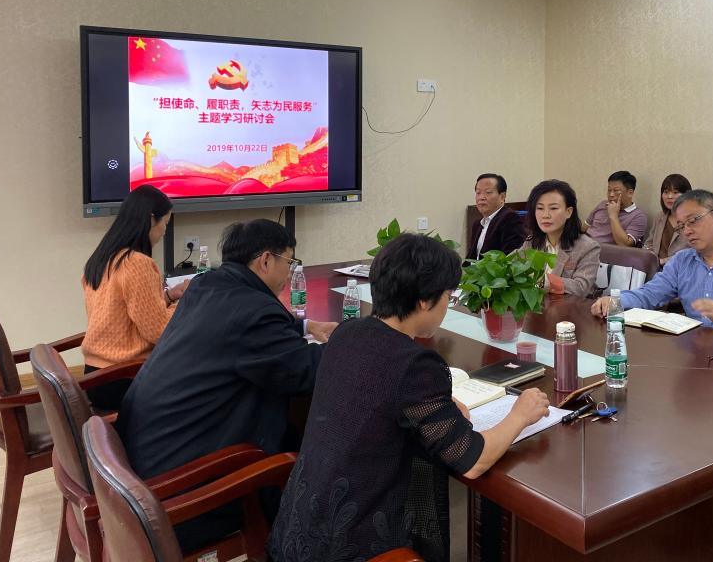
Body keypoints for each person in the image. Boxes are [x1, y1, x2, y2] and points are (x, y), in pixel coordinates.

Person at [267, 233, 549, 562]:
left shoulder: (347, 333)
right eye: (447, 296)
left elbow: (377, 401)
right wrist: (520, 414)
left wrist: (436, 411)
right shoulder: (414, 365)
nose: (447, 305)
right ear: (425, 301)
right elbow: (473, 462)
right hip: (352, 545)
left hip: (298, 533)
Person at [117, 219, 336, 551]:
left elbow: (245, 330)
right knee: (312, 464)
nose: (288, 273)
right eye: (289, 262)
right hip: (185, 499)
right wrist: (353, 344)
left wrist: (307, 326)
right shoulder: (253, 312)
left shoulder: (207, 286)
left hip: (144, 469)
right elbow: (305, 373)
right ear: (266, 260)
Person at [591, 189, 713, 340]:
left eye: (693, 221)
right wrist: (615, 301)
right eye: (681, 226)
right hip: (694, 354)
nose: (687, 231)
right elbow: (650, 294)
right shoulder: (682, 261)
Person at [81, 185, 187, 409]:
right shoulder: (137, 263)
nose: (165, 230)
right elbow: (159, 332)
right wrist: (187, 302)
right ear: (151, 220)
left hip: (95, 376)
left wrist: (169, 296)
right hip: (125, 377)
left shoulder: (102, 258)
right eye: (165, 222)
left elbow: (126, 312)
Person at [521, 179, 600, 298]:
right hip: (537, 306)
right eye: (540, 208)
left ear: (568, 212)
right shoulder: (532, 241)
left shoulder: (587, 247)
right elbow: (509, 265)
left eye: (553, 208)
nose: (545, 215)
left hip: (570, 308)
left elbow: (581, 287)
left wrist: (540, 281)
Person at [466, 172, 526, 259]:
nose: (481, 197)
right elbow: (471, 258)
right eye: (478, 193)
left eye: (488, 192)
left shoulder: (510, 219)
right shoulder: (477, 224)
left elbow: (511, 259)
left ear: (502, 197)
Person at [583, 170, 649, 247]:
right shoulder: (602, 204)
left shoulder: (638, 216)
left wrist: (613, 216)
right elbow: (584, 228)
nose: (611, 194)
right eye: (609, 190)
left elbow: (624, 244)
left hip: (605, 252)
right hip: (585, 247)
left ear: (630, 193)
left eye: (616, 191)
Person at [642, 173, 692, 267]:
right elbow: (649, 243)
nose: (669, 196)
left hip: (681, 269)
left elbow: (693, 251)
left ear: (686, 195)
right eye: (666, 192)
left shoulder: (693, 220)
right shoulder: (660, 216)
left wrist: (663, 261)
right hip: (655, 268)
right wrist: (647, 257)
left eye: (675, 192)